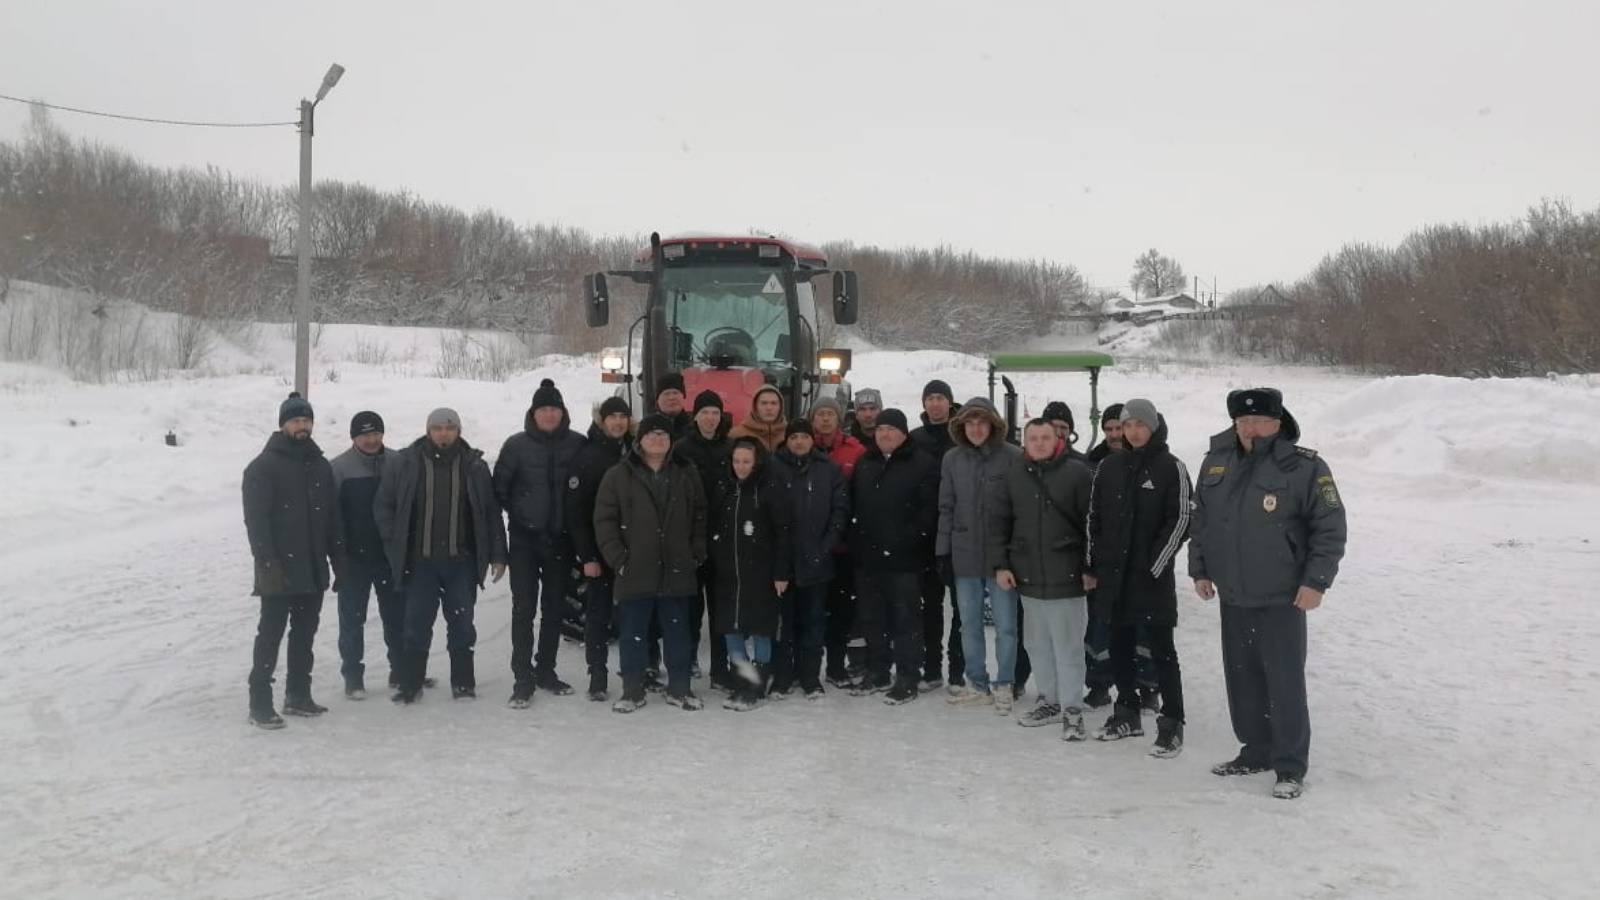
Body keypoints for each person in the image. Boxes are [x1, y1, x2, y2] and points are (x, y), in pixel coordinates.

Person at [1189, 388, 1347, 800]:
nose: (1250, 429)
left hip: (1283, 596)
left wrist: (1316, 582)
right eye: (1242, 422)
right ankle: (1255, 749)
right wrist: (1200, 570)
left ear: (1279, 424)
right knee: (1242, 678)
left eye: (1259, 421)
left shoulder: (1305, 467)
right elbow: (1202, 522)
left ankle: (1290, 765)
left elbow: (1329, 529)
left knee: (1284, 681)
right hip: (1233, 594)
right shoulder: (1215, 462)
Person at [374, 408, 508, 704]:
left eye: (449, 428)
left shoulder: (474, 466)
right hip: (421, 562)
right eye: (437, 428)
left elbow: (490, 514)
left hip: (461, 562)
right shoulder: (406, 463)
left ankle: (463, 683)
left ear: (458, 431)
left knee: (461, 623)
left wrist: (498, 553)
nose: (443, 433)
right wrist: (393, 540)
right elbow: (384, 505)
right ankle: (411, 684)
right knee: (416, 623)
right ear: (428, 431)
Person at [1084, 399, 1192, 758]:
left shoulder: (1170, 467)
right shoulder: (1110, 466)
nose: (1132, 432)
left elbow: (1179, 522)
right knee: (1119, 648)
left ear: (1153, 426)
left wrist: (1154, 567)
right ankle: (1126, 712)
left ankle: (1172, 722)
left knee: (1163, 653)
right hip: (1113, 579)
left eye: (1139, 425)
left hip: (1151, 581)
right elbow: (1094, 519)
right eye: (1127, 425)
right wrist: (1094, 564)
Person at [594, 413, 709, 713]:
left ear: (671, 441)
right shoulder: (618, 475)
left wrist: (695, 552)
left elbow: (700, 514)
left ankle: (680, 688)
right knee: (633, 634)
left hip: (677, 568)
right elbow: (605, 521)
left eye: (663, 435)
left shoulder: (685, 472)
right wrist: (619, 559)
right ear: (639, 440)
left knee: (677, 632)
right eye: (651, 434)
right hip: (635, 570)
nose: (657, 440)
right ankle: (632, 690)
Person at [242, 392, 344, 729]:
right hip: (278, 568)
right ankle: (260, 703)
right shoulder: (262, 467)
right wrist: (266, 561)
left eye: (306, 420)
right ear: (283, 424)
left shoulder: (320, 465)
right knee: (270, 635)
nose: (302, 426)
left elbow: (331, 519)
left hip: (313, 568)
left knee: (304, 634)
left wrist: (337, 560)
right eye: (295, 420)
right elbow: (256, 520)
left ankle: (298, 695)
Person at [989, 419, 1094, 738]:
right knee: (1036, 644)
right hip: (1028, 576)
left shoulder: (1078, 474)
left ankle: (1072, 709)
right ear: (1025, 442)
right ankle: (1049, 700)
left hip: (1068, 577)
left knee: (1068, 647)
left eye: (1045, 437)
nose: (1039, 443)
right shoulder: (1014, 474)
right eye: (1032, 438)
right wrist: (1001, 565)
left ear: (1057, 439)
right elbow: (1000, 523)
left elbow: (1094, 525)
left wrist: (1091, 567)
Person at [494, 378, 586, 706]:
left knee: (554, 609)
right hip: (525, 542)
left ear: (563, 412)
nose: (548, 414)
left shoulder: (578, 444)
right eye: (542, 409)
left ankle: (546, 670)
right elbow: (500, 491)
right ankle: (522, 677)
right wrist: (523, 514)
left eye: (554, 409)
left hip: (561, 542)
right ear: (533, 414)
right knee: (523, 608)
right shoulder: (516, 446)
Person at [849, 408, 939, 705]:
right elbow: (854, 506)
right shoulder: (866, 462)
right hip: (869, 559)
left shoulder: (922, 463)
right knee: (873, 619)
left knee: (905, 622)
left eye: (891, 429)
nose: (885, 434)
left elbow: (929, 512)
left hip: (905, 561)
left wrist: (904, 540)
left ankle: (908, 676)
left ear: (903, 433)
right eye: (880, 429)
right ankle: (878, 671)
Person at [938, 398, 1022, 714]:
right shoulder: (952, 459)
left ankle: (1004, 683)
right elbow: (946, 506)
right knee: (969, 624)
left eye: (981, 423)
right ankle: (977, 682)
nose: (975, 429)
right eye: (969, 423)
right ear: (961, 427)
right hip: (964, 555)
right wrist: (942, 551)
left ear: (993, 426)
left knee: (1006, 626)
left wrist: (1015, 553)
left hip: (1001, 559)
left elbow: (1019, 509)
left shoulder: (1012, 457)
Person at [765, 418, 850, 700]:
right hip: (782, 562)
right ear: (786, 441)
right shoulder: (772, 468)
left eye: (803, 436)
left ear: (812, 439)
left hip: (817, 562)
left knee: (814, 622)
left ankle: (810, 676)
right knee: (783, 624)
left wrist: (824, 547)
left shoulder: (829, 470)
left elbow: (840, 513)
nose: (799, 442)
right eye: (794, 437)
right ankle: (783, 676)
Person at [710, 437, 792, 710]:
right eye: (736, 461)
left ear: (756, 462)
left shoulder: (769, 489)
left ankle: (758, 684)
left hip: (761, 574)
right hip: (728, 575)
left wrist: (781, 572)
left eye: (747, 461)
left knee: (760, 631)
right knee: (731, 630)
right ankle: (741, 680)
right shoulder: (725, 488)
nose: (741, 467)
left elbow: (783, 533)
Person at [330, 410, 402, 700]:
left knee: (397, 617)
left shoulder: (398, 462)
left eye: (376, 433)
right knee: (351, 621)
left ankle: (400, 670)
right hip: (354, 560)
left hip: (389, 557)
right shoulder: (338, 468)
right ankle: (353, 677)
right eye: (365, 435)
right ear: (354, 437)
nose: (371, 440)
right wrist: (338, 556)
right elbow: (331, 518)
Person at [565, 396, 633, 702]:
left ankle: (637, 672)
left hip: (634, 552)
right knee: (597, 614)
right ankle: (598, 675)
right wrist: (588, 556)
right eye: (612, 417)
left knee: (636, 615)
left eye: (623, 416)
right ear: (601, 420)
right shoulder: (588, 457)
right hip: (600, 551)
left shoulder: (637, 451)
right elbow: (576, 513)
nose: (618, 422)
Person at [673, 389, 734, 689]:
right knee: (691, 608)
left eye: (715, 412)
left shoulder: (731, 448)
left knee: (722, 609)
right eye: (704, 412)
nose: (710, 418)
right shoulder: (681, 449)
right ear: (694, 416)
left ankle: (720, 671)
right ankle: (689, 661)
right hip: (692, 540)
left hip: (724, 541)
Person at [910, 379, 965, 693]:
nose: (934, 404)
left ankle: (958, 672)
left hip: (959, 534)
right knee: (929, 606)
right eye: (929, 398)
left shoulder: (962, 437)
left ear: (950, 402)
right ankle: (932, 668)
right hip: (925, 536)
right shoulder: (914, 439)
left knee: (962, 609)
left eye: (940, 397)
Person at [809, 397, 866, 477]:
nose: (826, 419)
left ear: (838, 420)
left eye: (830, 414)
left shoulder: (856, 451)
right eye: (820, 414)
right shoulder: (805, 449)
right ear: (813, 421)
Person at [728, 383, 788, 452]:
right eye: (764, 403)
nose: (769, 408)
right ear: (755, 407)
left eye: (774, 403)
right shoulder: (736, 434)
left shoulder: (790, 434)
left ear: (781, 407)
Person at [652, 372, 694, 437]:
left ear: (684, 397)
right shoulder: (648, 427)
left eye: (675, 393)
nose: (671, 398)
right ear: (658, 400)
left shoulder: (696, 426)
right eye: (666, 394)